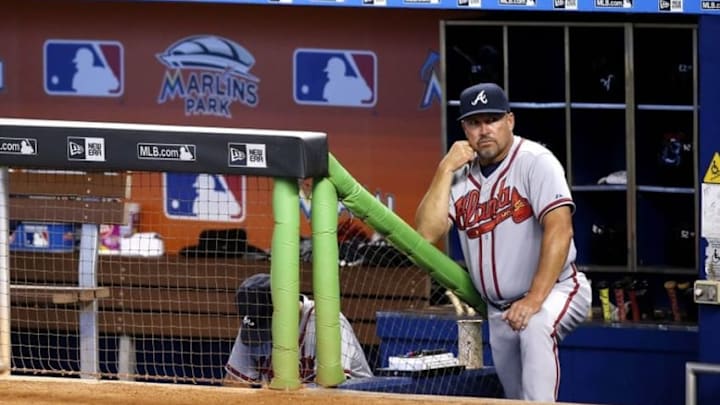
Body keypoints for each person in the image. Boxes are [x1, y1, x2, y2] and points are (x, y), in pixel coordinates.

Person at [415, 82, 591, 402]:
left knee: (537, 329)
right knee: (514, 397)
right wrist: (443, 169)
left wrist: (535, 299)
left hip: (557, 289)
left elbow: (560, 230)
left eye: (492, 120)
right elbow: (427, 233)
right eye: (474, 122)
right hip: (499, 311)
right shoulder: (457, 175)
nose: (484, 130)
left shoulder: (536, 160)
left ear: (509, 121)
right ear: (464, 129)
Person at [224, 273, 373, 386]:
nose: (265, 332)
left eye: (267, 324)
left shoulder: (328, 323)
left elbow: (333, 391)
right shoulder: (252, 327)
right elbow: (233, 385)